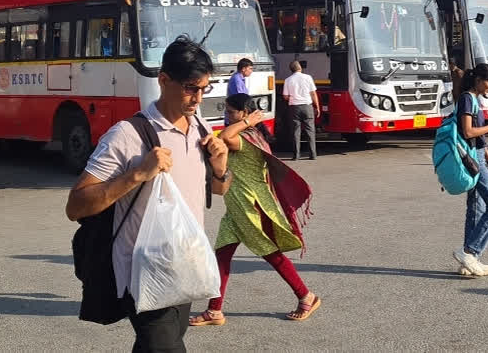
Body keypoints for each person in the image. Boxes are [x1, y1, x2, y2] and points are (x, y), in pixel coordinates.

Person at [65, 36, 231, 352]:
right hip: (143, 271)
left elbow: (219, 189)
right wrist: (137, 174)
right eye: (190, 88)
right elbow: (76, 205)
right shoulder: (127, 135)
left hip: (186, 263)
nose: (198, 98)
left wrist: (221, 168)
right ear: (164, 80)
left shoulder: (200, 127)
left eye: (204, 88)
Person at [190, 93, 319, 327]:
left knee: (270, 254)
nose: (227, 116)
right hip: (236, 208)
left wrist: (247, 122)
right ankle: (214, 310)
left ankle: (305, 296)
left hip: (250, 205)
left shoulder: (246, 137)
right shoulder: (250, 134)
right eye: (226, 111)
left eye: (231, 112)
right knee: (222, 256)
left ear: (246, 113)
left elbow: (225, 137)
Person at [453, 64, 488, 277]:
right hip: (471, 158)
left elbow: (479, 139)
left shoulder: (474, 99)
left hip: (477, 156)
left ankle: (469, 261)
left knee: (476, 208)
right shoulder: (467, 98)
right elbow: (468, 132)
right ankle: (469, 252)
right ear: (478, 80)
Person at [283, 61, 320, 160]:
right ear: (300, 68)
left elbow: (285, 96)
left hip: (294, 108)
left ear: (291, 70)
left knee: (295, 132)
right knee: (310, 131)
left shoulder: (288, 80)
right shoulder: (308, 77)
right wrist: (317, 107)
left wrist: (293, 97)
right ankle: (313, 154)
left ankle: (296, 155)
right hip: (307, 107)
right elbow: (313, 93)